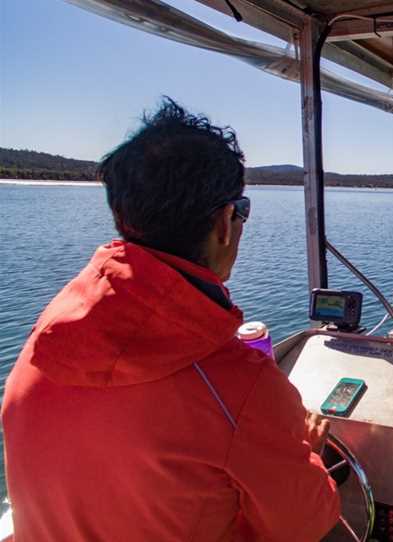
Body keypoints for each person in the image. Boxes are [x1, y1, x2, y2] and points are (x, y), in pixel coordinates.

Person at [1, 99, 340, 541]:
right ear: (224, 222)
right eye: (242, 209)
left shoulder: (44, 339)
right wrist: (308, 454)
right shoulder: (241, 386)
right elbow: (306, 523)